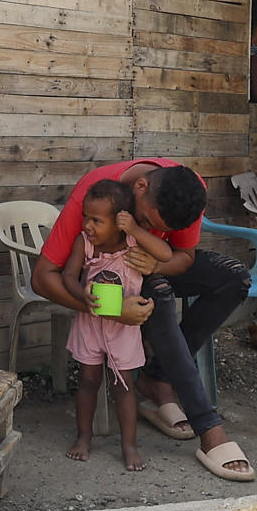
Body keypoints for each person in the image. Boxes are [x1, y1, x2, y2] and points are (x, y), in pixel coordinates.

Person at [31, 158, 255, 481]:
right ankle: (209, 428)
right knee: (160, 294)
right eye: (147, 220)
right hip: (106, 284)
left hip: (150, 265)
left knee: (235, 279)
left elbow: (184, 257)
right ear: (140, 188)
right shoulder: (95, 191)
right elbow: (43, 278)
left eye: (160, 228)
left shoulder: (189, 190)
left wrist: (156, 264)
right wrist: (110, 309)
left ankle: (156, 378)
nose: (152, 230)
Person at [59, 179, 167, 471]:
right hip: (90, 322)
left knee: (123, 387)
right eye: (86, 217)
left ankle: (129, 446)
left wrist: (135, 229)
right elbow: (68, 276)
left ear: (119, 221)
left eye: (96, 220)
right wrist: (80, 292)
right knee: (88, 381)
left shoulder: (133, 240)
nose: (88, 225)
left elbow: (166, 254)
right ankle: (84, 437)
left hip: (124, 327)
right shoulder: (84, 243)